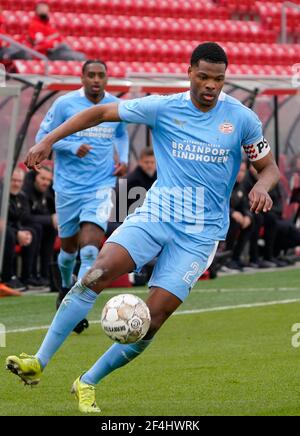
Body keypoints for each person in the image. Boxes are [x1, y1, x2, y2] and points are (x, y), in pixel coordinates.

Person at [6, 42, 280, 413]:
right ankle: (38, 361)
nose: (211, 85)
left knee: (153, 319)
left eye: (218, 79)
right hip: (156, 215)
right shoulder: (164, 107)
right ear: (189, 73)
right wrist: (48, 140)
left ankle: (87, 381)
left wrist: (262, 186)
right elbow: (101, 112)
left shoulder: (243, 118)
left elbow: (269, 167)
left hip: (200, 235)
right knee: (95, 273)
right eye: (203, 76)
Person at [35, 59, 129, 333]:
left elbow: (121, 133)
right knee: (68, 252)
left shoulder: (113, 105)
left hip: (100, 186)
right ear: (83, 77)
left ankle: (76, 306)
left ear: (107, 78)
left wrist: (121, 158)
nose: (97, 80)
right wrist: (72, 146)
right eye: (92, 75)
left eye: (101, 75)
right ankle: (65, 286)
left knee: (89, 250)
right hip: (67, 188)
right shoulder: (65, 104)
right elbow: (44, 136)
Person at [1, 168, 38, 291]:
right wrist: (17, 233)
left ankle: (26, 277)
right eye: (13, 180)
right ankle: (7, 277)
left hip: (12, 229)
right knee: (9, 234)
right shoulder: (2, 194)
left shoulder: (21, 197)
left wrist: (22, 232)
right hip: (5, 231)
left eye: (19, 181)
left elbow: (21, 218)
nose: (16, 184)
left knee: (33, 231)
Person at [22, 166, 57, 286]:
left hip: (40, 226)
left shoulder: (47, 192)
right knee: (36, 228)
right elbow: (25, 217)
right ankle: (28, 275)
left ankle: (45, 275)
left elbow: (52, 212)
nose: (45, 183)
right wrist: (50, 219)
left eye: (48, 180)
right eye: (43, 178)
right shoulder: (25, 190)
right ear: (34, 177)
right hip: (23, 226)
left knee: (51, 229)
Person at [225, 161, 253, 270]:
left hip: (236, 218)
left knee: (252, 221)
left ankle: (235, 258)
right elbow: (218, 204)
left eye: (243, 171)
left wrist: (248, 216)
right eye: (238, 171)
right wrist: (232, 212)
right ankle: (226, 258)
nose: (240, 174)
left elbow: (245, 205)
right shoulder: (225, 184)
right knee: (234, 221)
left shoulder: (242, 186)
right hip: (222, 218)